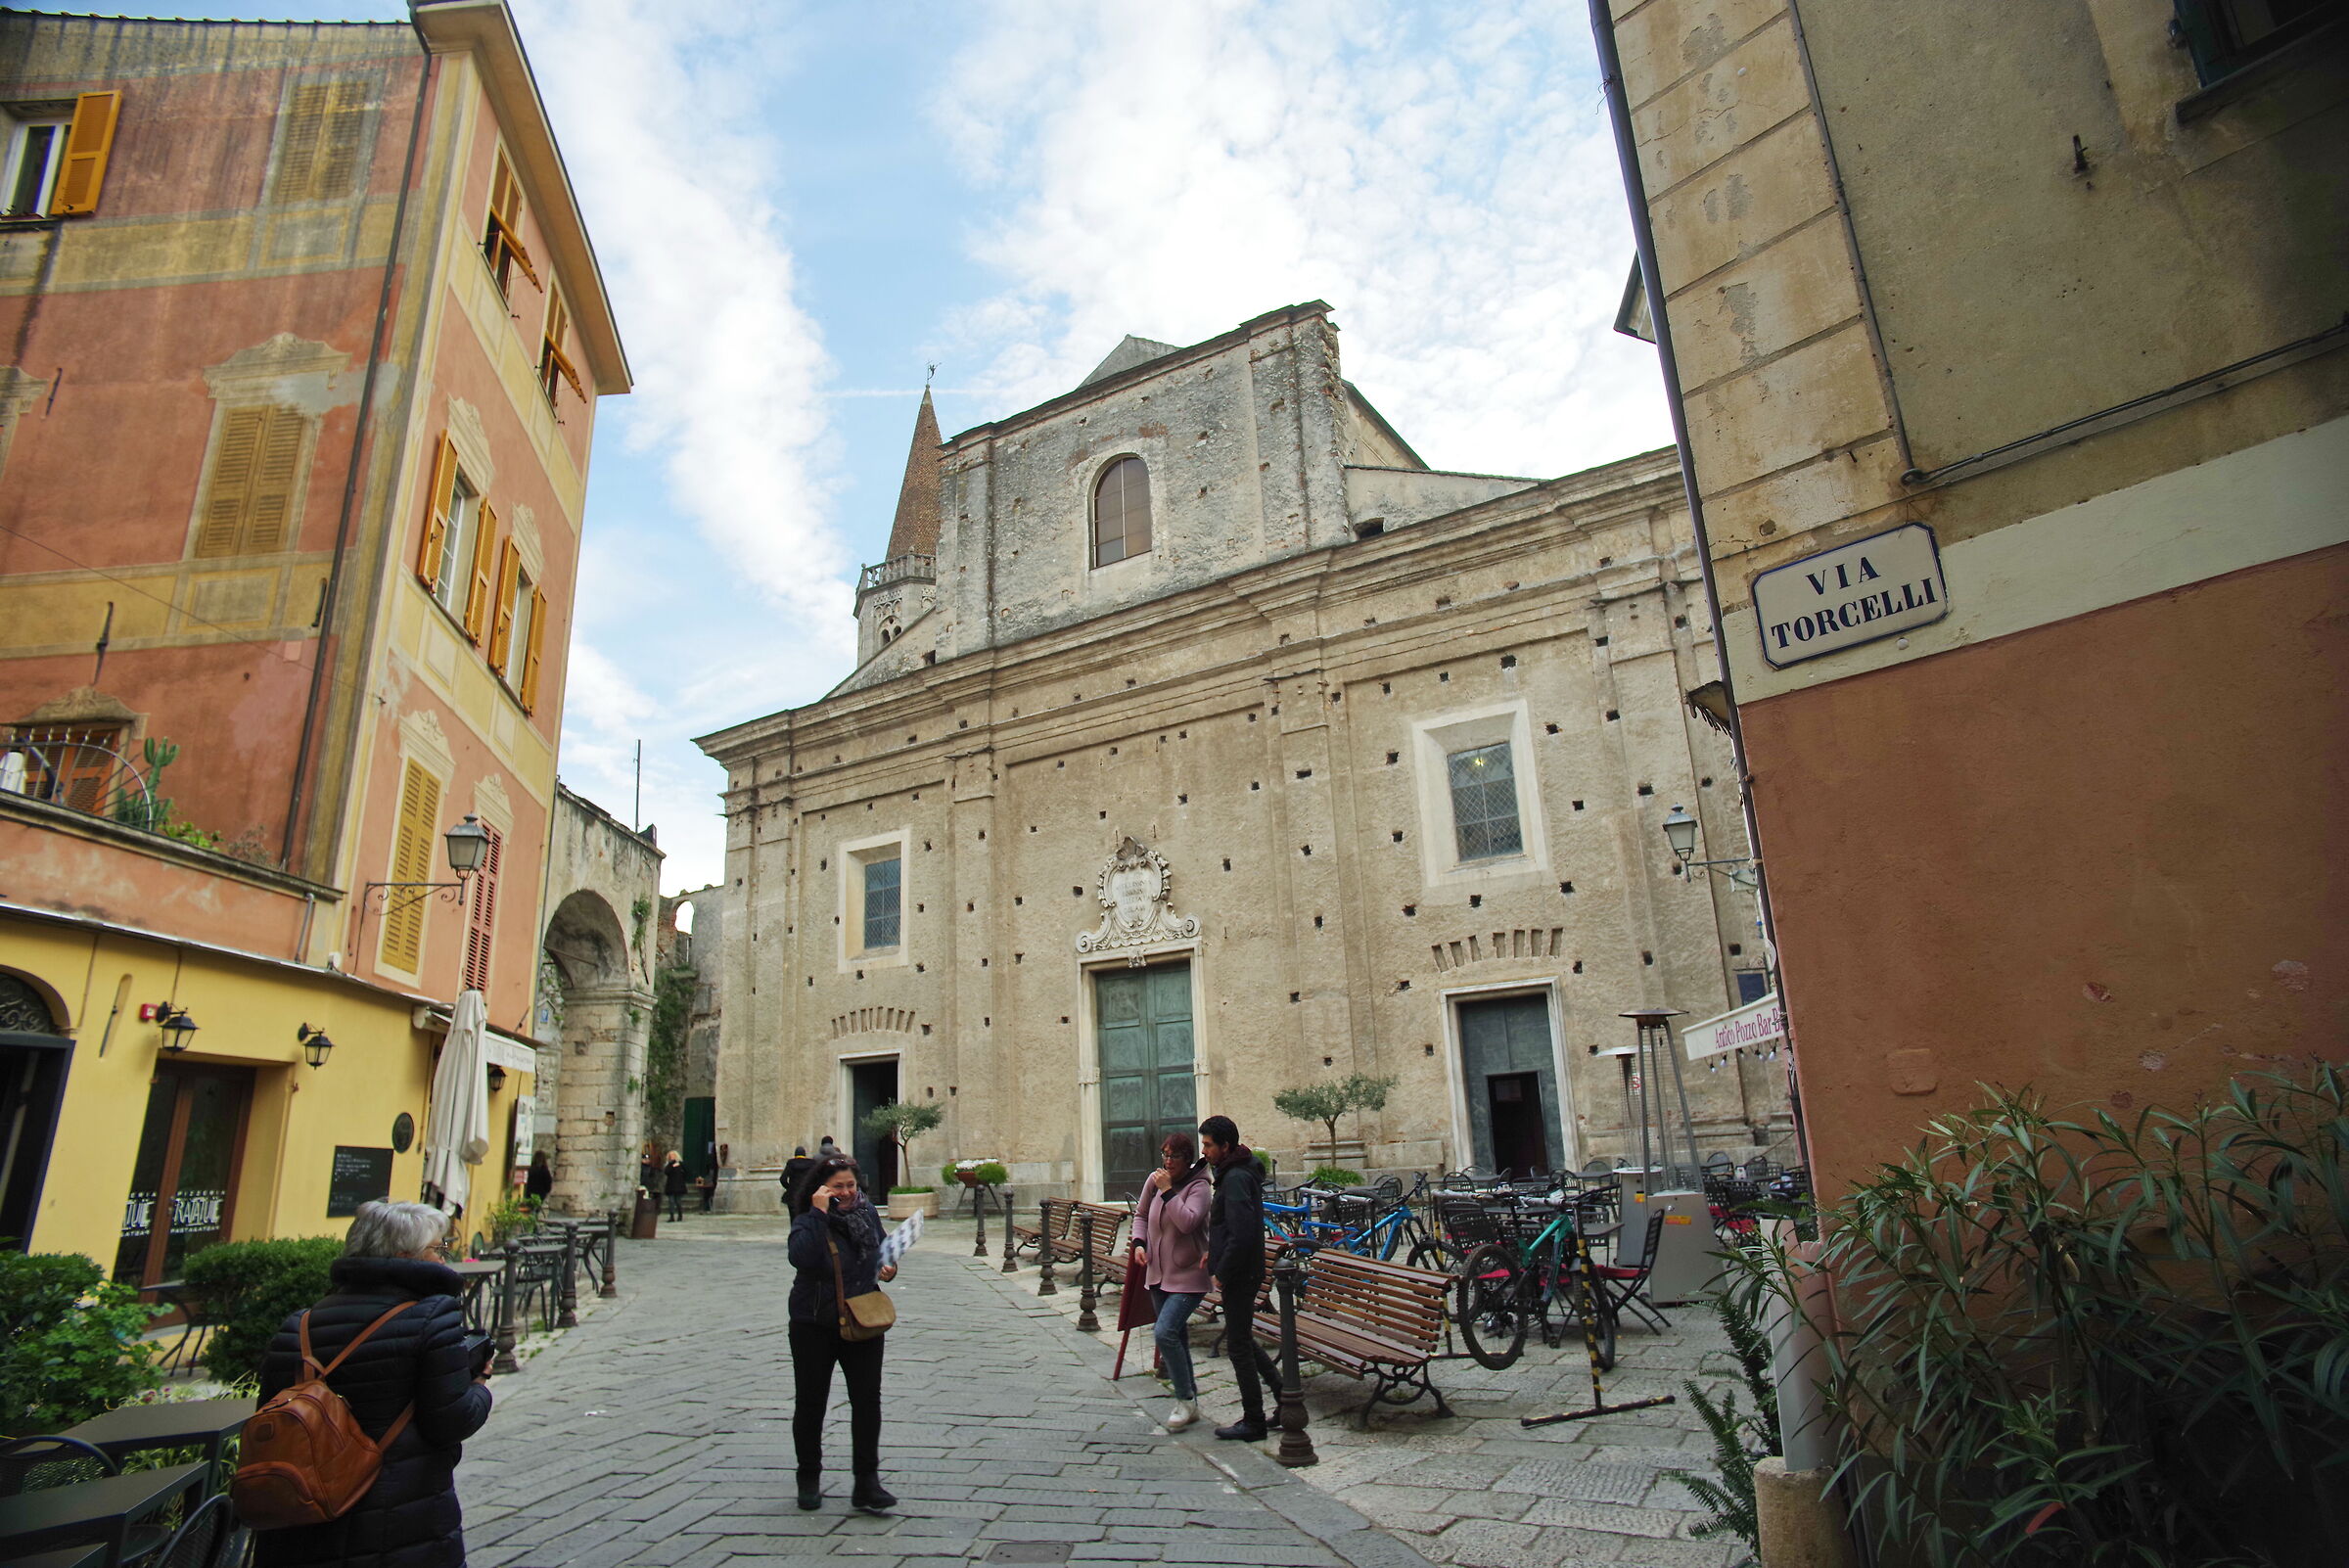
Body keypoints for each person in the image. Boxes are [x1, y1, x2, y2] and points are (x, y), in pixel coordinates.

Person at [253, 1200, 491, 1568]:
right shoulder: (434, 1317)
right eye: (438, 1249)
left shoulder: (298, 1326)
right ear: (405, 1255)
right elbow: (451, 1421)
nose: (445, 1258)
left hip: (300, 1516)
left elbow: (269, 1420)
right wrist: (480, 1385)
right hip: (400, 1520)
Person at [786, 1154, 898, 1513]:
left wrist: (888, 1267)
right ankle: (808, 1478)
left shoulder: (866, 1213)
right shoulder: (806, 1218)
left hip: (863, 1316)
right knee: (811, 1402)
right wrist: (819, 1213)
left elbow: (881, 1250)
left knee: (867, 1402)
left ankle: (867, 1482)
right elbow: (801, 1257)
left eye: (851, 1185)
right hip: (814, 1321)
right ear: (821, 1188)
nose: (847, 1192)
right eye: (838, 1187)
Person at [1200, 1114, 1282, 1442]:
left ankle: (1254, 1421)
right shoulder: (1234, 1171)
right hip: (1244, 1269)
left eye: (1208, 1145)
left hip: (1240, 1273)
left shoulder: (1234, 1177)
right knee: (1243, 1339)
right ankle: (1286, 1399)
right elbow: (1229, 1228)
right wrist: (1214, 1254)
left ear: (1225, 1146)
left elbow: (1242, 1233)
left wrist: (1222, 1271)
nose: (1203, 1151)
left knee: (1238, 1346)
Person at [1131, 1130, 1212, 1431]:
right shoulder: (1153, 1181)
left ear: (1187, 1159)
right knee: (1177, 1335)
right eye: (1164, 1155)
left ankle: (1184, 1399)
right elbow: (1140, 1216)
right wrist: (1139, 1243)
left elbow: (1188, 1222)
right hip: (1157, 1274)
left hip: (1189, 1275)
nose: (1168, 1161)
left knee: (1164, 1332)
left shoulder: (1200, 1187)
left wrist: (1167, 1191)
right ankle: (1191, 1400)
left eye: (1174, 1156)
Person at [664, 1152, 690, 1222]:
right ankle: (671, 1216)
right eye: (670, 1156)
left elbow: (686, 1172)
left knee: (678, 1202)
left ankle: (680, 1215)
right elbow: (666, 1172)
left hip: (679, 1185)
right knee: (671, 1202)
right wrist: (671, 1165)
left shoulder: (681, 1164)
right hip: (670, 1186)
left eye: (673, 1155)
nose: (672, 1157)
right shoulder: (668, 1164)